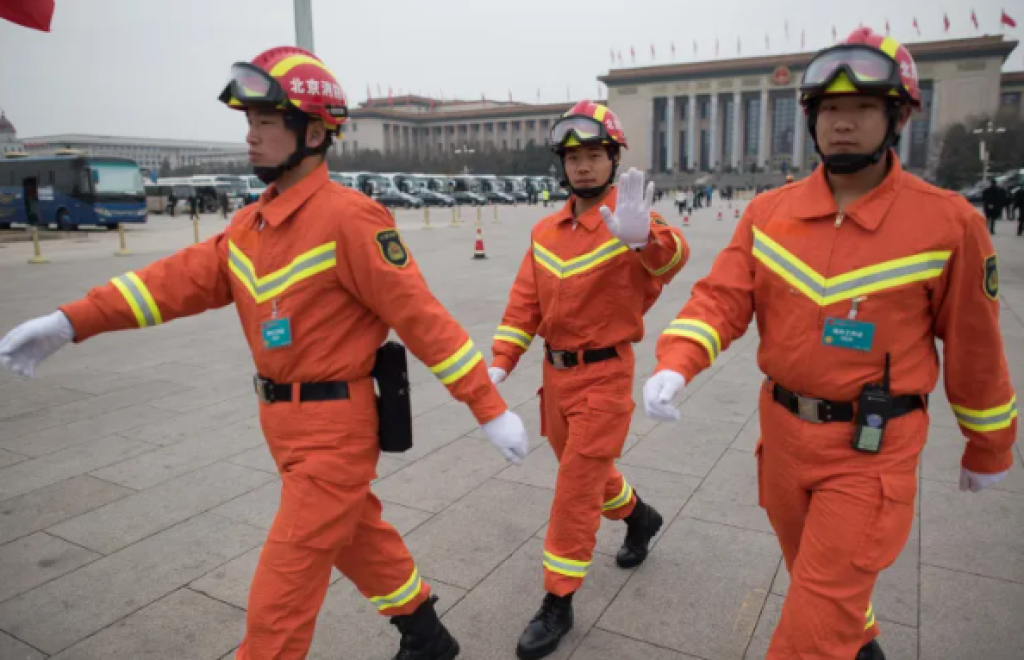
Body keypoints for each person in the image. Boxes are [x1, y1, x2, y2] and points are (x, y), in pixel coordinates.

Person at [0, 46, 530, 660]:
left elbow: (424, 320)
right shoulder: (250, 226)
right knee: (357, 536)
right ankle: (426, 635)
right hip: (283, 426)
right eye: (248, 122)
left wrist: (488, 407)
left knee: (278, 602)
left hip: (335, 436)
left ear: (313, 132)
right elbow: (166, 284)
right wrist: (70, 322)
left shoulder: (351, 220)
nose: (250, 136)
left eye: (265, 122)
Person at [642, 28, 1017, 660]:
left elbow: (976, 347)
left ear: (898, 117)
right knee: (819, 585)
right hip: (783, 441)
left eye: (863, 108)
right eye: (831, 109)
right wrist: (676, 363)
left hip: (870, 452)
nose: (843, 123)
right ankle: (858, 642)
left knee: (809, 631)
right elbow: (722, 298)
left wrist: (989, 444)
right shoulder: (769, 214)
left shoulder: (948, 223)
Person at [489, 100, 688, 659]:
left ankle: (558, 599)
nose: (583, 165)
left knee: (575, 490)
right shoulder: (545, 231)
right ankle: (640, 516)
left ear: (613, 160)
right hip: (556, 378)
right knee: (587, 472)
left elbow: (672, 259)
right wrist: (502, 358)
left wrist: (642, 239)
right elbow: (525, 302)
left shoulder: (632, 223)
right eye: (573, 156)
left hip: (604, 375)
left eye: (595, 155)